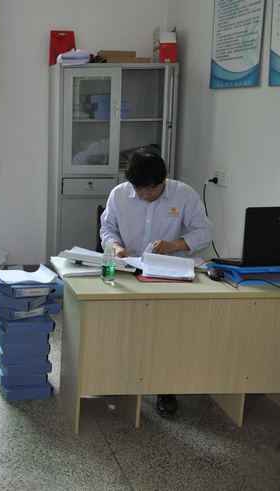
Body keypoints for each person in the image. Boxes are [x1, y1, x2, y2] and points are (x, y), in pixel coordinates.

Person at [100, 149, 213, 417]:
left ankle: (165, 387)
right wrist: (115, 246)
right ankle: (121, 379)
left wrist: (174, 245)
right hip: (130, 270)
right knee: (125, 328)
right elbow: (107, 228)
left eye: (151, 189)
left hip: (169, 273)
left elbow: (204, 233)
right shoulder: (119, 195)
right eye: (139, 190)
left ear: (163, 180)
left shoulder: (184, 194)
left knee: (167, 333)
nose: (145, 195)